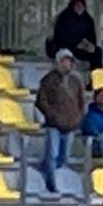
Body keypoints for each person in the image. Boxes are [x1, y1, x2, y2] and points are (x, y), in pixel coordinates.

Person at [34, 48, 87, 192]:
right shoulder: (48, 80)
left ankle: (61, 183)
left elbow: (81, 101)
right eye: (64, 61)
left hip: (71, 125)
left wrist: (78, 117)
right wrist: (53, 116)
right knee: (52, 154)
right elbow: (41, 101)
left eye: (69, 61)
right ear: (58, 62)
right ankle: (51, 183)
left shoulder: (76, 81)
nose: (66, 64)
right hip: (54, 125)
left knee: (65, 157)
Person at [46, 0, 103, 71]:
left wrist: (90, 45)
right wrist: (76, 44)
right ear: (73, 6)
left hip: (81, 49)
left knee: (97, 52)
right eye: (77, 5)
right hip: (65, 48)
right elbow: (60, 38)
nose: (80, 8)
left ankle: (96, 75)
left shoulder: (88, 20)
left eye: (81, 6)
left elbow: (92, 38)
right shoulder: (64, 18)